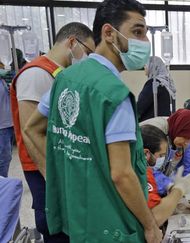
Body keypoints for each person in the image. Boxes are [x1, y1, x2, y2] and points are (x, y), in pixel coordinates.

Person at [22, 0, 162, 242]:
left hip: (74, 211)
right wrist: (150, 225)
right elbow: (122, 174)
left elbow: (31, 129)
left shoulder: (65, 79)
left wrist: (56, 174)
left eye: (146, 34)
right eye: (137, 32)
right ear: (109, 33)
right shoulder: (115, 95)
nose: (145, 43)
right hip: (109, 221)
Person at [10, 22, 94, 242]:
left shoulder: (59, 73)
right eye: (89, 52)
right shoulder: (36, 74)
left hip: (62, 165)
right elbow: (31, 133)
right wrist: (53, 179)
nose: (88, 58)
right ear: (73, 42)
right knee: (54, 226)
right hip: (44, 168)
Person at [141, 109, 190, 207]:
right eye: (187, 138)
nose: (187, 143)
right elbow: (143, 170)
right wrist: (170, 186)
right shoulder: (152, 134)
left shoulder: (185, 137)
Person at [140, 124, 190, 226]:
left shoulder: (144, 169)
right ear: (146, 153)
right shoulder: (141, 174)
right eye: (161, 155)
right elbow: (154, 218)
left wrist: (172, 207)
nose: (162, 159)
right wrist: (178, 191)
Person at [137, 56, 176, 122]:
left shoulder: (153, 83)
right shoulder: (167, 85)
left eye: (146, 65)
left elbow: (140, 107)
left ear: (153, 66)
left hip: (151, 126)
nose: (144, 67)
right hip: (164, 124)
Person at [0, 61, 13, 177]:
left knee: (7, 158)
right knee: (4, 159)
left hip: (8, 125)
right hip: (2, 127)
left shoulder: (3, 80)